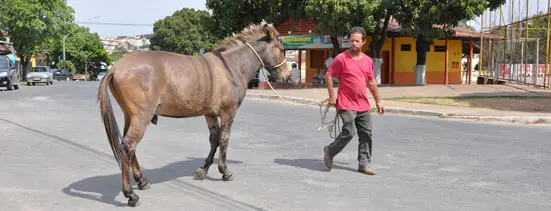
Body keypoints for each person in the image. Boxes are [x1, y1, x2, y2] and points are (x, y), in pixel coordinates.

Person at [323, 26, 384, 175]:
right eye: (352, 41)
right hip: (346, 103)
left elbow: (371, 82)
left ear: (363, 42)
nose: (354, 43)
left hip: (363, 104)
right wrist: (332, 95)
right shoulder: (341, 58)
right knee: (350, 131)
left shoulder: (368, 61)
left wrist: (378, 101)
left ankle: (363, 164)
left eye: (357, 41)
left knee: (366, 133)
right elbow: (329, 75)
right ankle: (330, 151)